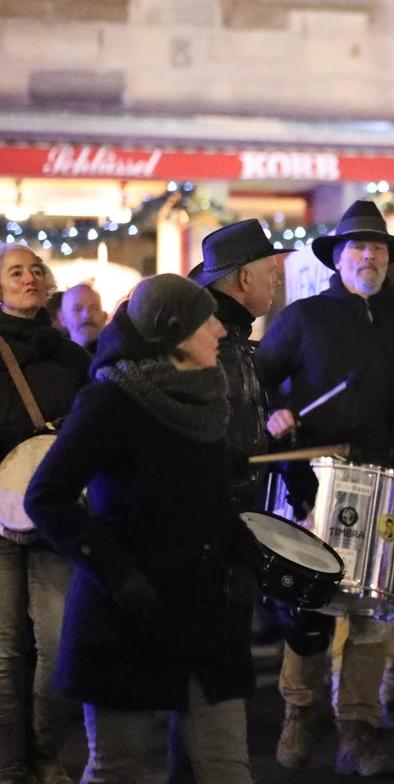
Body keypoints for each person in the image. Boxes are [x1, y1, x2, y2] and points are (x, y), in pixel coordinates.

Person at [26, 274, 259, 783]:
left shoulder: (208, 398)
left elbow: (215, 504)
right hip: (129, 617)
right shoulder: (112, 401)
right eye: (206, 320)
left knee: (226, 769)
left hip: (205, 612)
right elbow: (46, 497)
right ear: (174, 333)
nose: (220, 329)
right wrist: (119, 573)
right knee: (122, 770)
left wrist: (245, 560)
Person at [257, 199, 394, 777]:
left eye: (378, 249)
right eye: (358, 247)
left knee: (372, 611)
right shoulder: (303, 318)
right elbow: (258, 383)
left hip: (383, 476)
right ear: (338, 257)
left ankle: (358, 727)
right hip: (311, 479)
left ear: (389, 260)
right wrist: (277, 413)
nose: (369, 256)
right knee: (308, 606)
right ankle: (298, 710)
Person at [0, 248, 89, 784]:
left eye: (36, 270)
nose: (30, 278)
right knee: (6, 653)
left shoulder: (71, 356)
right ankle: (9, 766)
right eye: (16, 272)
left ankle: (45, 750)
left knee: (57, 647)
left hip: (55, 515)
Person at [189, 219, 289, 510]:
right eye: (271, 272)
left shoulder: (231, 340)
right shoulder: (205, 344)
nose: (277, 281)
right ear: (245, 279)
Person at [58, 282, 107, 354]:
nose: (87, 315)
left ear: (104, 316)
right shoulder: (52, 360)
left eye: (95, 308)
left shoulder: (120, 356)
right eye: (77, 309)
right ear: (63, 318)